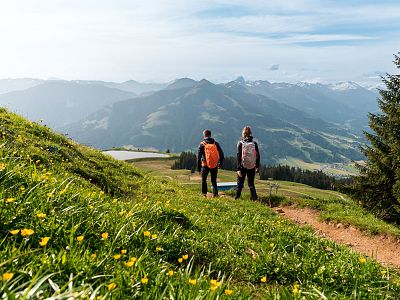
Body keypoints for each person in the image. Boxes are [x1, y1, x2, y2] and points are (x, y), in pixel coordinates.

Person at [235, 126, 260, 200]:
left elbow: (239, 157)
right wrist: (257, 166)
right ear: (250, 133)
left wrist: (238, 169)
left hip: (242, 166)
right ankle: (255, 198)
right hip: (252, 166)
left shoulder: (241, 143)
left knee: (240, 183)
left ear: (243, 134)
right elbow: (258, 155)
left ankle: (237, 198)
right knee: (251, 183)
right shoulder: (254, 143)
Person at [197, 129, 224, 197]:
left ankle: (204, 194)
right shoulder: (216, 143)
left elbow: (198, 158)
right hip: (214, 165)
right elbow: (222, 154)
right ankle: (215, 194)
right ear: (210, 135)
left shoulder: (202, 144)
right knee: (213, 180)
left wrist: (199, 169)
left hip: (205, 165)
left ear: (204, 135)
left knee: (204, 180)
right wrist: (220, 164)